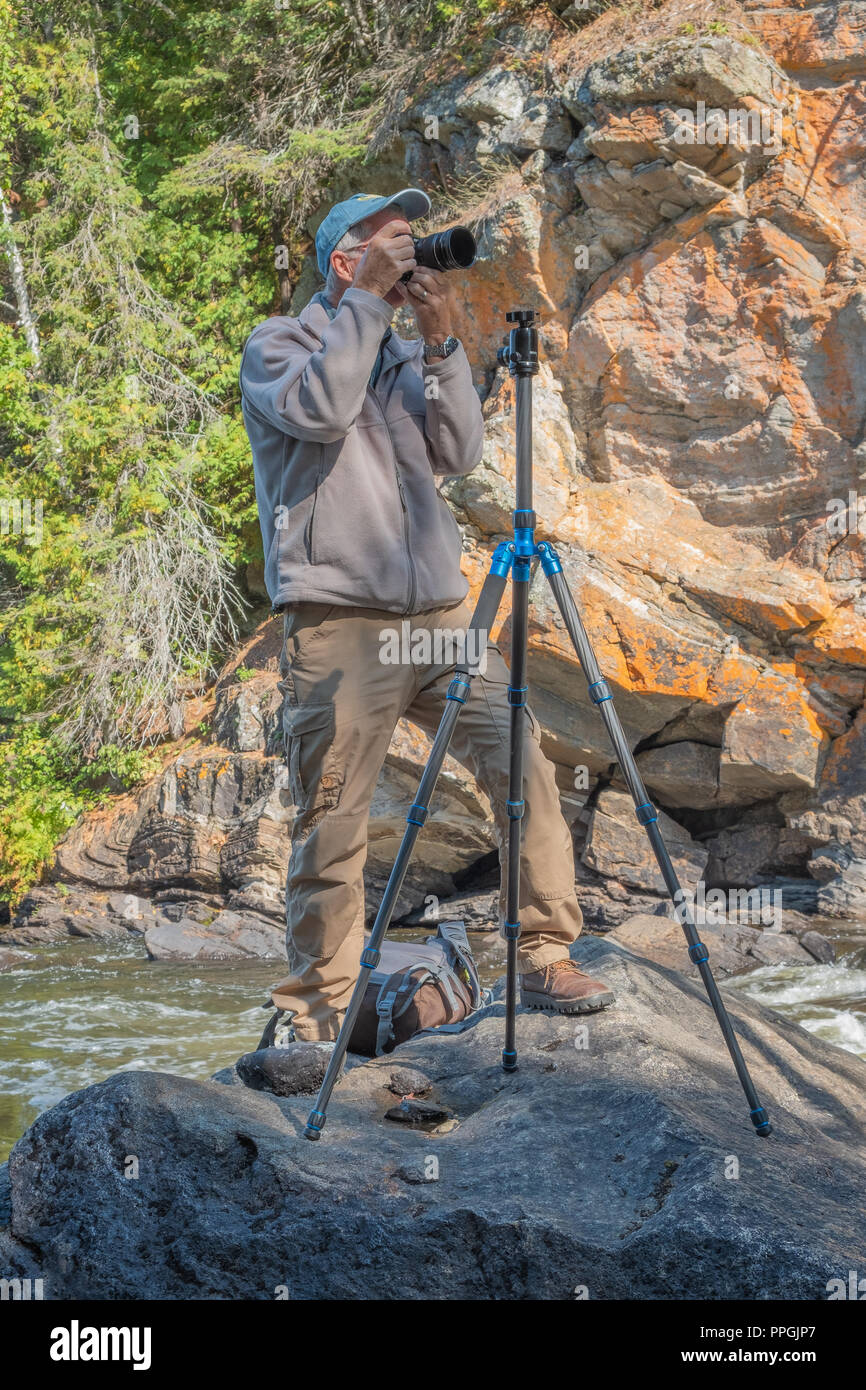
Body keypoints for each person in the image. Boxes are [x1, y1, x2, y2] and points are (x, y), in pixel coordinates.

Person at [239, 186, 614, 1042]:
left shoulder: (404, 353)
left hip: (442, 618)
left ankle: (544, 953)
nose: (413, 255)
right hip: (340, 622)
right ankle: (316, 1012)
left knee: (521, 764)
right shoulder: (279, 344)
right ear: (345, 262)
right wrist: (372, 303)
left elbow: (459, 451)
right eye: (394, 246)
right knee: (334, 816)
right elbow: (322, 410)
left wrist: (441, 339)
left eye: (414, 244)